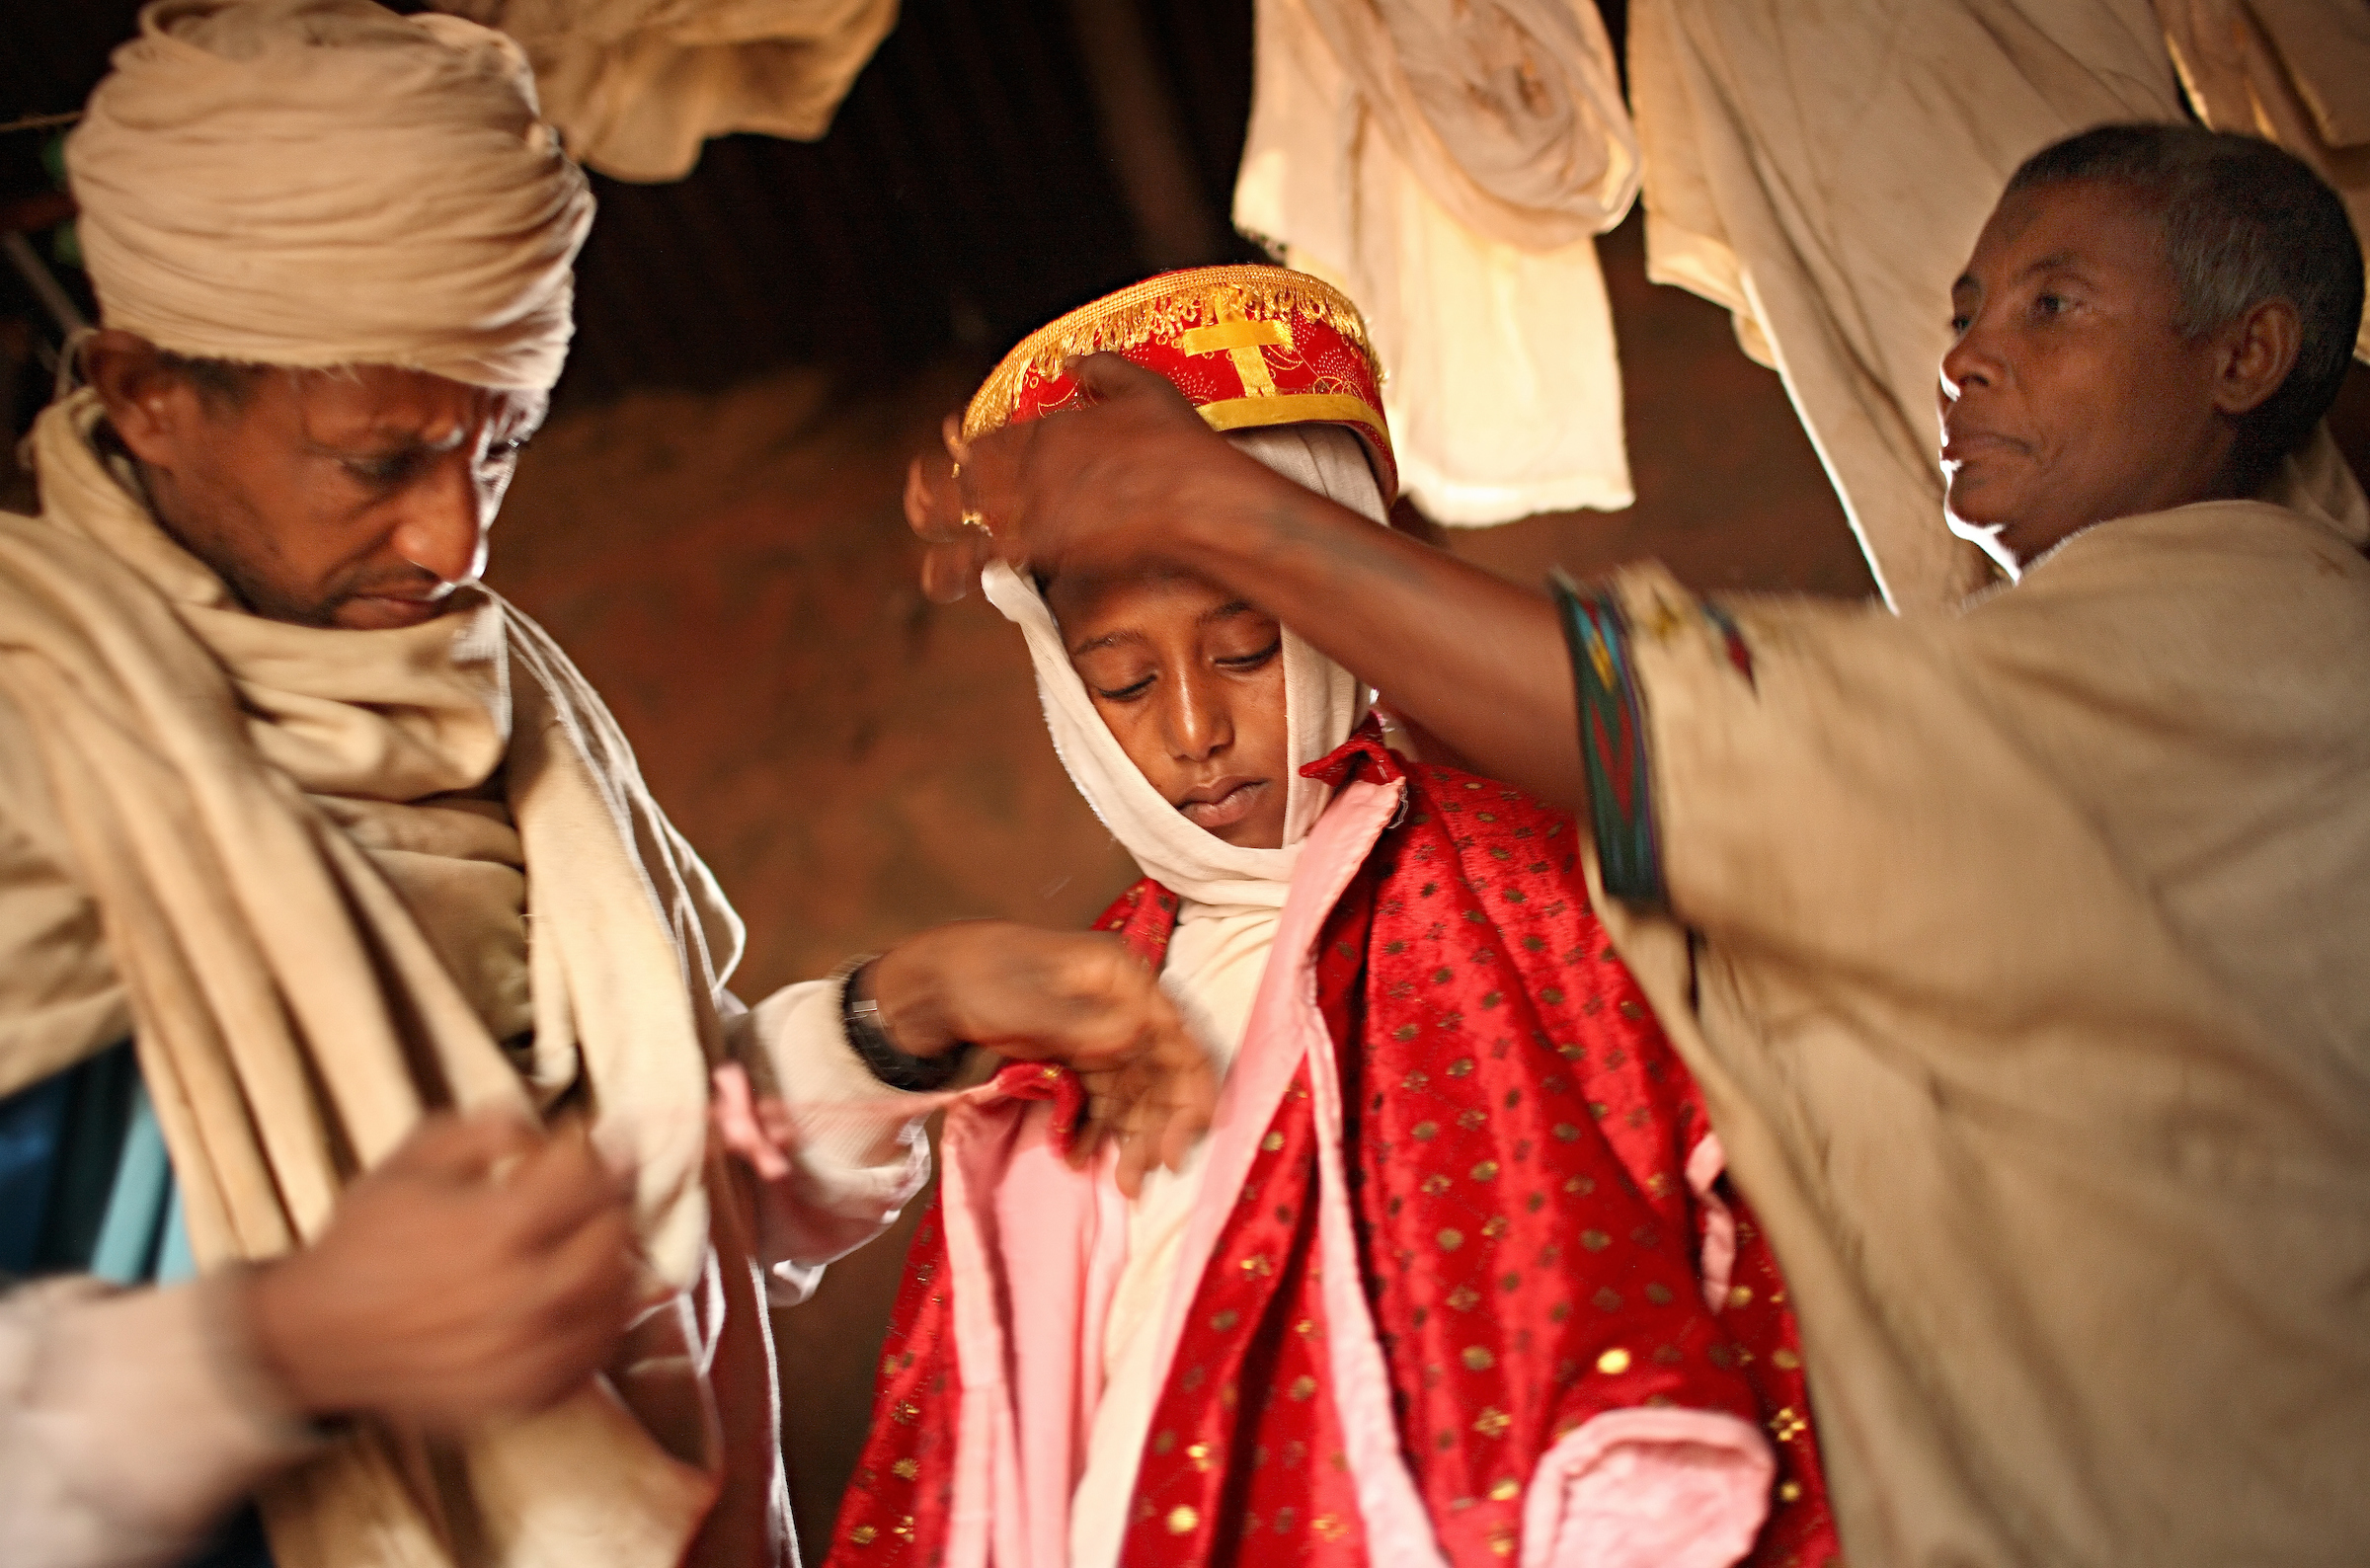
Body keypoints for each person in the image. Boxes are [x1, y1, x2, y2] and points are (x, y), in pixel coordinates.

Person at [908, 127, 2370, 1567]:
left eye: (2053, 305)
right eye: (1965, 311)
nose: (1968, 358)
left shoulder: (2245, 644)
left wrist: (1220, 504)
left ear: (2244, 357)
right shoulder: (2073, 664)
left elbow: (1701, 734)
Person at [0, 5, 1206, 1566]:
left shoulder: (498, 694)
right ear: (146, 386)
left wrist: (889, 1023)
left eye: (496, 453)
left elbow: (656, 1208)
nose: (456, 544)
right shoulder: (40, 735)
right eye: (380, 460)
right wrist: (271, 1350)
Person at [719, 267, 1837, 1568]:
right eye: (1122, 681)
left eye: (1246, 650)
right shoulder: (1080, 1002)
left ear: (1334, 589)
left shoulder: (1531, 885)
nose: (1193, 731)